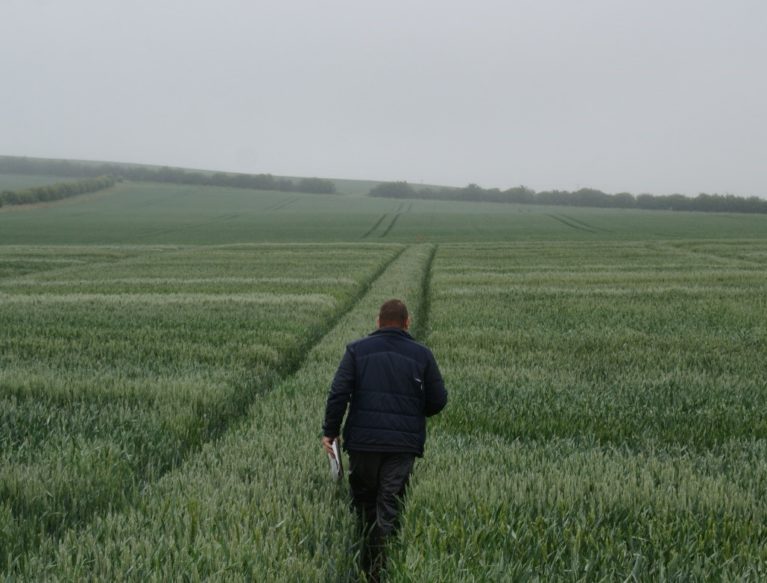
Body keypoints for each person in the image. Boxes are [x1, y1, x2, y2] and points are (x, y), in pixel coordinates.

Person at [322, 298, 448, 581]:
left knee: (364, 502)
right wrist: (415, 411)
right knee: (389, 504)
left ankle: (362, 561)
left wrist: (330, 432)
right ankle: (382, 569)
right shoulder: (422, 355)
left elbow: (338, 393)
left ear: (378, 322)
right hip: (402, 447)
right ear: (407, 323)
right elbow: (438, 401)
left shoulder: (356, 350)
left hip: (363, 444)